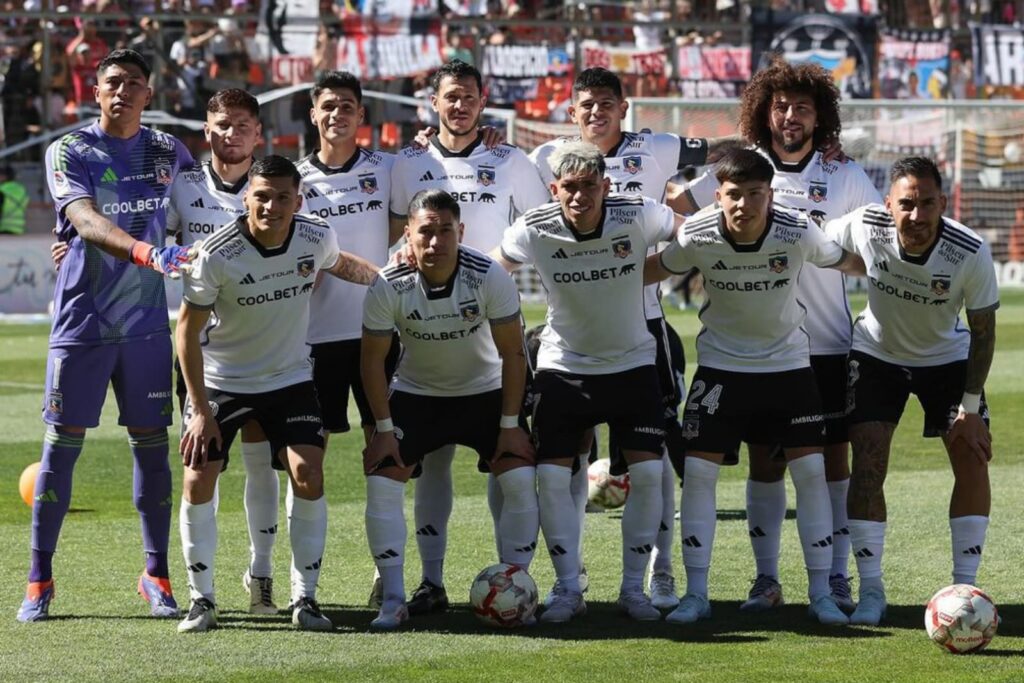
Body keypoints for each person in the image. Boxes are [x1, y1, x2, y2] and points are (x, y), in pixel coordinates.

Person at [681, 58, 882, 613]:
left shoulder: (842, 175)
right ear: (763, 112)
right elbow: (679, 207)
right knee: (765, 463)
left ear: (820, 119)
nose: (790, 116)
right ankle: (766, 580)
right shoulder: (743, 168)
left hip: (827, 343)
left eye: (802, 108)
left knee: (830, 463)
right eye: (780, 106)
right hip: (752, 349)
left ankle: (835, 577)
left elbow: (876, 240)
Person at [646, 149, 865, 626]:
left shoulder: (797, 229)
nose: (743, 205)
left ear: (770, 195)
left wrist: (889, 267)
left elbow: (844, 260)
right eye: (732, 196)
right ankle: (696, 595)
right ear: (717, 197)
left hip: (790, 372)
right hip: (721, 372)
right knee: (700, 478)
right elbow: (656, 269)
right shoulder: (697, 233)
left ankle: (820, 593)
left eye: (754, 195)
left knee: (811, 477)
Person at [529, 66, 719, 610]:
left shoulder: (657, 146)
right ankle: (573, 574)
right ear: (571, 112)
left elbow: (715, 167)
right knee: (565, 458)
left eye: (605, 103)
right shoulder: (546, 157)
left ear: (623, 107)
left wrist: (690, 202)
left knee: (652, 459)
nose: (595, 112)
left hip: (645, 330)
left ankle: (658, 571)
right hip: (572, 332)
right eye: (585, 104)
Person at [17, 49, 195, 623]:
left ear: (150, 93)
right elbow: (86, 219)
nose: (122, 91)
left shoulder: (169, 150)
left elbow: (205, 205)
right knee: (60, 450)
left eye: (134, 84)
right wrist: (146, 250)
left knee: (152, 447)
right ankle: (39, 581)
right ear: (95, 92)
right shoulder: (70, 149)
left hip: (145, 327)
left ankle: (156, 575)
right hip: (83, 321)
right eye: (112, 83)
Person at [174, 155, 380, 633]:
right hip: (224, 382)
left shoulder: (314, 235)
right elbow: (185, 333)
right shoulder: (216, 254)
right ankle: (201, 600)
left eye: (282, 197)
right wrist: (200, 410)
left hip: (289, 379)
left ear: (298, 200)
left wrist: (389, 277)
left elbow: (339, 263)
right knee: (197, 477)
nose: (271, 206)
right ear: (246, 197)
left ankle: (304, 599)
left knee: (308, 472)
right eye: (261, 196)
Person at [494, 141, 684, 624]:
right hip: (565, 367)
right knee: (552, 478)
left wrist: (658, 268)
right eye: (569, 188)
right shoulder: (535, 226)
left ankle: (632, 590)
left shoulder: (638, 213)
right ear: (555, 189)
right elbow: (493, 265)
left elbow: (691, 236)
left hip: (633, 365)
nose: (579, 197)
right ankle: (567, 589)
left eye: (588, 187)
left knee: (646, 475)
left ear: (607, 186)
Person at [387, 58, 550, 616]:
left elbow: (545, 226)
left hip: (494, 324)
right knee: (431, 462)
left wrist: (500, 263)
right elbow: (392, 230)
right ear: (434, 103)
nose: (459, 105)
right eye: (450, 96)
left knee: (509, 457)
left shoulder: (511, 159)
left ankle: (516, 580)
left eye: (469, 97)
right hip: (425, 330)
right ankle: (430, 583)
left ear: (484, 102)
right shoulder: (407, 161)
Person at [826, 157, 998, 626]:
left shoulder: (969, 250)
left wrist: (970, 408)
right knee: (868, 464)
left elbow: (983, 332)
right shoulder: (865, 223)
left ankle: (965, 587)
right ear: (888, 204)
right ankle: (871, 590)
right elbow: (817, 241)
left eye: (927, 204)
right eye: (906, 204)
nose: (917, 215)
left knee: (971, 455)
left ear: (943, 203)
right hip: (877, 354)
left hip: (946, 359)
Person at [361, 189, 537, 630]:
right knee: (384, 480)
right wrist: (383, 428)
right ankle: (399, 597)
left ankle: (518, 585)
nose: (436, 240)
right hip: (418, 394)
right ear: (409, 234)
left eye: (445, 231)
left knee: (517, 476)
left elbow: (514, 355)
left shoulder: (489, 276)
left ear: (461, 232)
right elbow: (370, 361)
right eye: (426, 231)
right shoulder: (388, 283)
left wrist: (512, 425)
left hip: (484, 392)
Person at [166, 88, 286, 615]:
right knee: (201, 467)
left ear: (258, 133)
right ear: (206, 130)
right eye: (221, 124)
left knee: (264, 466)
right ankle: (201, 594)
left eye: (242, 125)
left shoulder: (278, 183)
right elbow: (155, 245)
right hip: (204, 356)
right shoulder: (182, 185)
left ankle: (261, 574)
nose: (231, 133)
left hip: (269, 351)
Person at [0, 165, 29, 234]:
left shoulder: (2, 190)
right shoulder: (22, 189)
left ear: (4, 176)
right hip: (19, 229)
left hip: (3, 228)